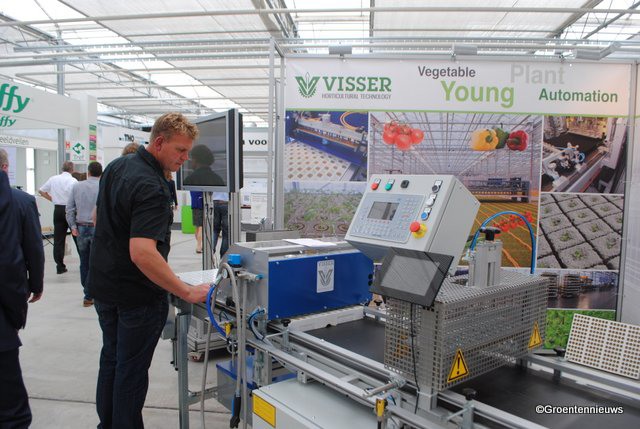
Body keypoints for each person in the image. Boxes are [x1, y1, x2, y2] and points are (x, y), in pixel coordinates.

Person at [87, 112, 211, 429]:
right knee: (130, 371)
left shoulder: (117, 166)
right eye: (180, 150)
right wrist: (185, 291)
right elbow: (142, 253)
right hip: (136, 296)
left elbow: (100, 219)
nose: (185, 158)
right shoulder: (152, 185)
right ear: (159, 143)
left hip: (105, 288)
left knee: (112, 360)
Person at [0, 149, 45, 428]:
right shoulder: (22, 201)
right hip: (4, 314)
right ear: (6, 167)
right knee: (12, 409)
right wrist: (35, 285)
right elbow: (33, 249)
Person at [66, 161, 102, 307]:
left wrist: (73, 226)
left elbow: (69, 208)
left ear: (88, 172)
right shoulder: (103, 186)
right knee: (97, 262)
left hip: (81, 227)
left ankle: (88, 293)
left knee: (84, 261)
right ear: (101, 173)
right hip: (97, 228)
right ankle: (92, 292)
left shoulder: (77, 186)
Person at [39, 161, 77, 274]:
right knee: (76, 236)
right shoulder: (73, 181)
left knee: (58, 239)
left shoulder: (53, 179)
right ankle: (84, 262)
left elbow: (41, 190)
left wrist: (52, 199)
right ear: (72, 169)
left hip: (58, 209)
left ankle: (60, 266)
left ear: (62, 168)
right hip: (70, 210)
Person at [212, 191, 229, 257]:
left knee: (215, 230)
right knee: (226, 233)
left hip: (214, 202)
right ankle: (223, 255)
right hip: (226, 202)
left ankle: (211, 251)